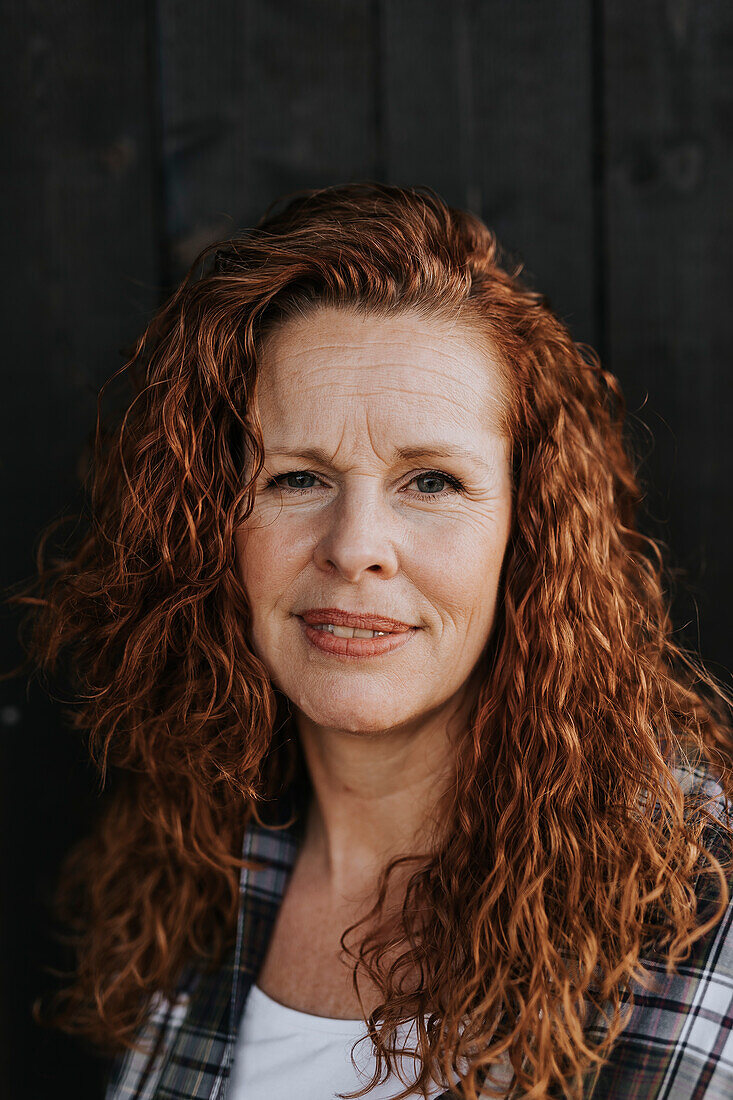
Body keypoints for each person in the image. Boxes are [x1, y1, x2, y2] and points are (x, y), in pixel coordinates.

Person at [9, 181, 733, 1100]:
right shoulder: (204, 855)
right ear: (209, 525)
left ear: (530, 529)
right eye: (297, 478)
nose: (355, 548)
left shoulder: (689, 900)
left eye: (430, 482)